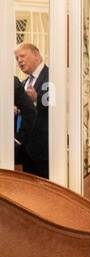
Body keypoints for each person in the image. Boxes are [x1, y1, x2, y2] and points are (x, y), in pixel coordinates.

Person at [14, 43, 50, 179]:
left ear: (36, 54)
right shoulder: (23, 84)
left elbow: (56, 105)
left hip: (43, 152)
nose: (19, 61)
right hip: (26, 151)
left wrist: (37, 98)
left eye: (22, 56)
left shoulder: (51, 76)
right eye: (17, 59)